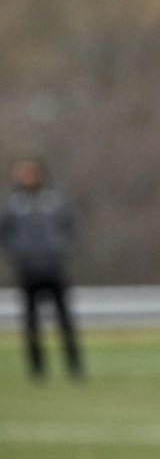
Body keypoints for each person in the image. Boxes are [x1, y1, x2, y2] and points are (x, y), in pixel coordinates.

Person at [0, 157, 83, 381]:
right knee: (31, 322)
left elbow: (69, 226)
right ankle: (38, 370)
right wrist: (19, 253)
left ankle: (74, 366)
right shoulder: (14, 204)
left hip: (54, 267)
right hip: (28, 269)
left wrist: (60, 248)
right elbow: (5, 233)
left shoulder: (54, 200)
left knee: (64, 320)